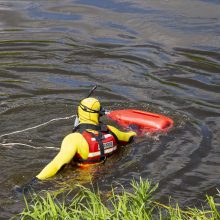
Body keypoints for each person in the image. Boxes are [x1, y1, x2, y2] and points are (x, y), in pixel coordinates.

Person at [35, 97, 136, 180]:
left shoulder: (74, 139)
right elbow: (130, 137)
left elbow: (57, 164)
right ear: (99, 114)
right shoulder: (112, 131)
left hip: (83, 181)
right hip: (111, 175)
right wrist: (134, 128)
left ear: (79, 113)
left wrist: (34, 182)